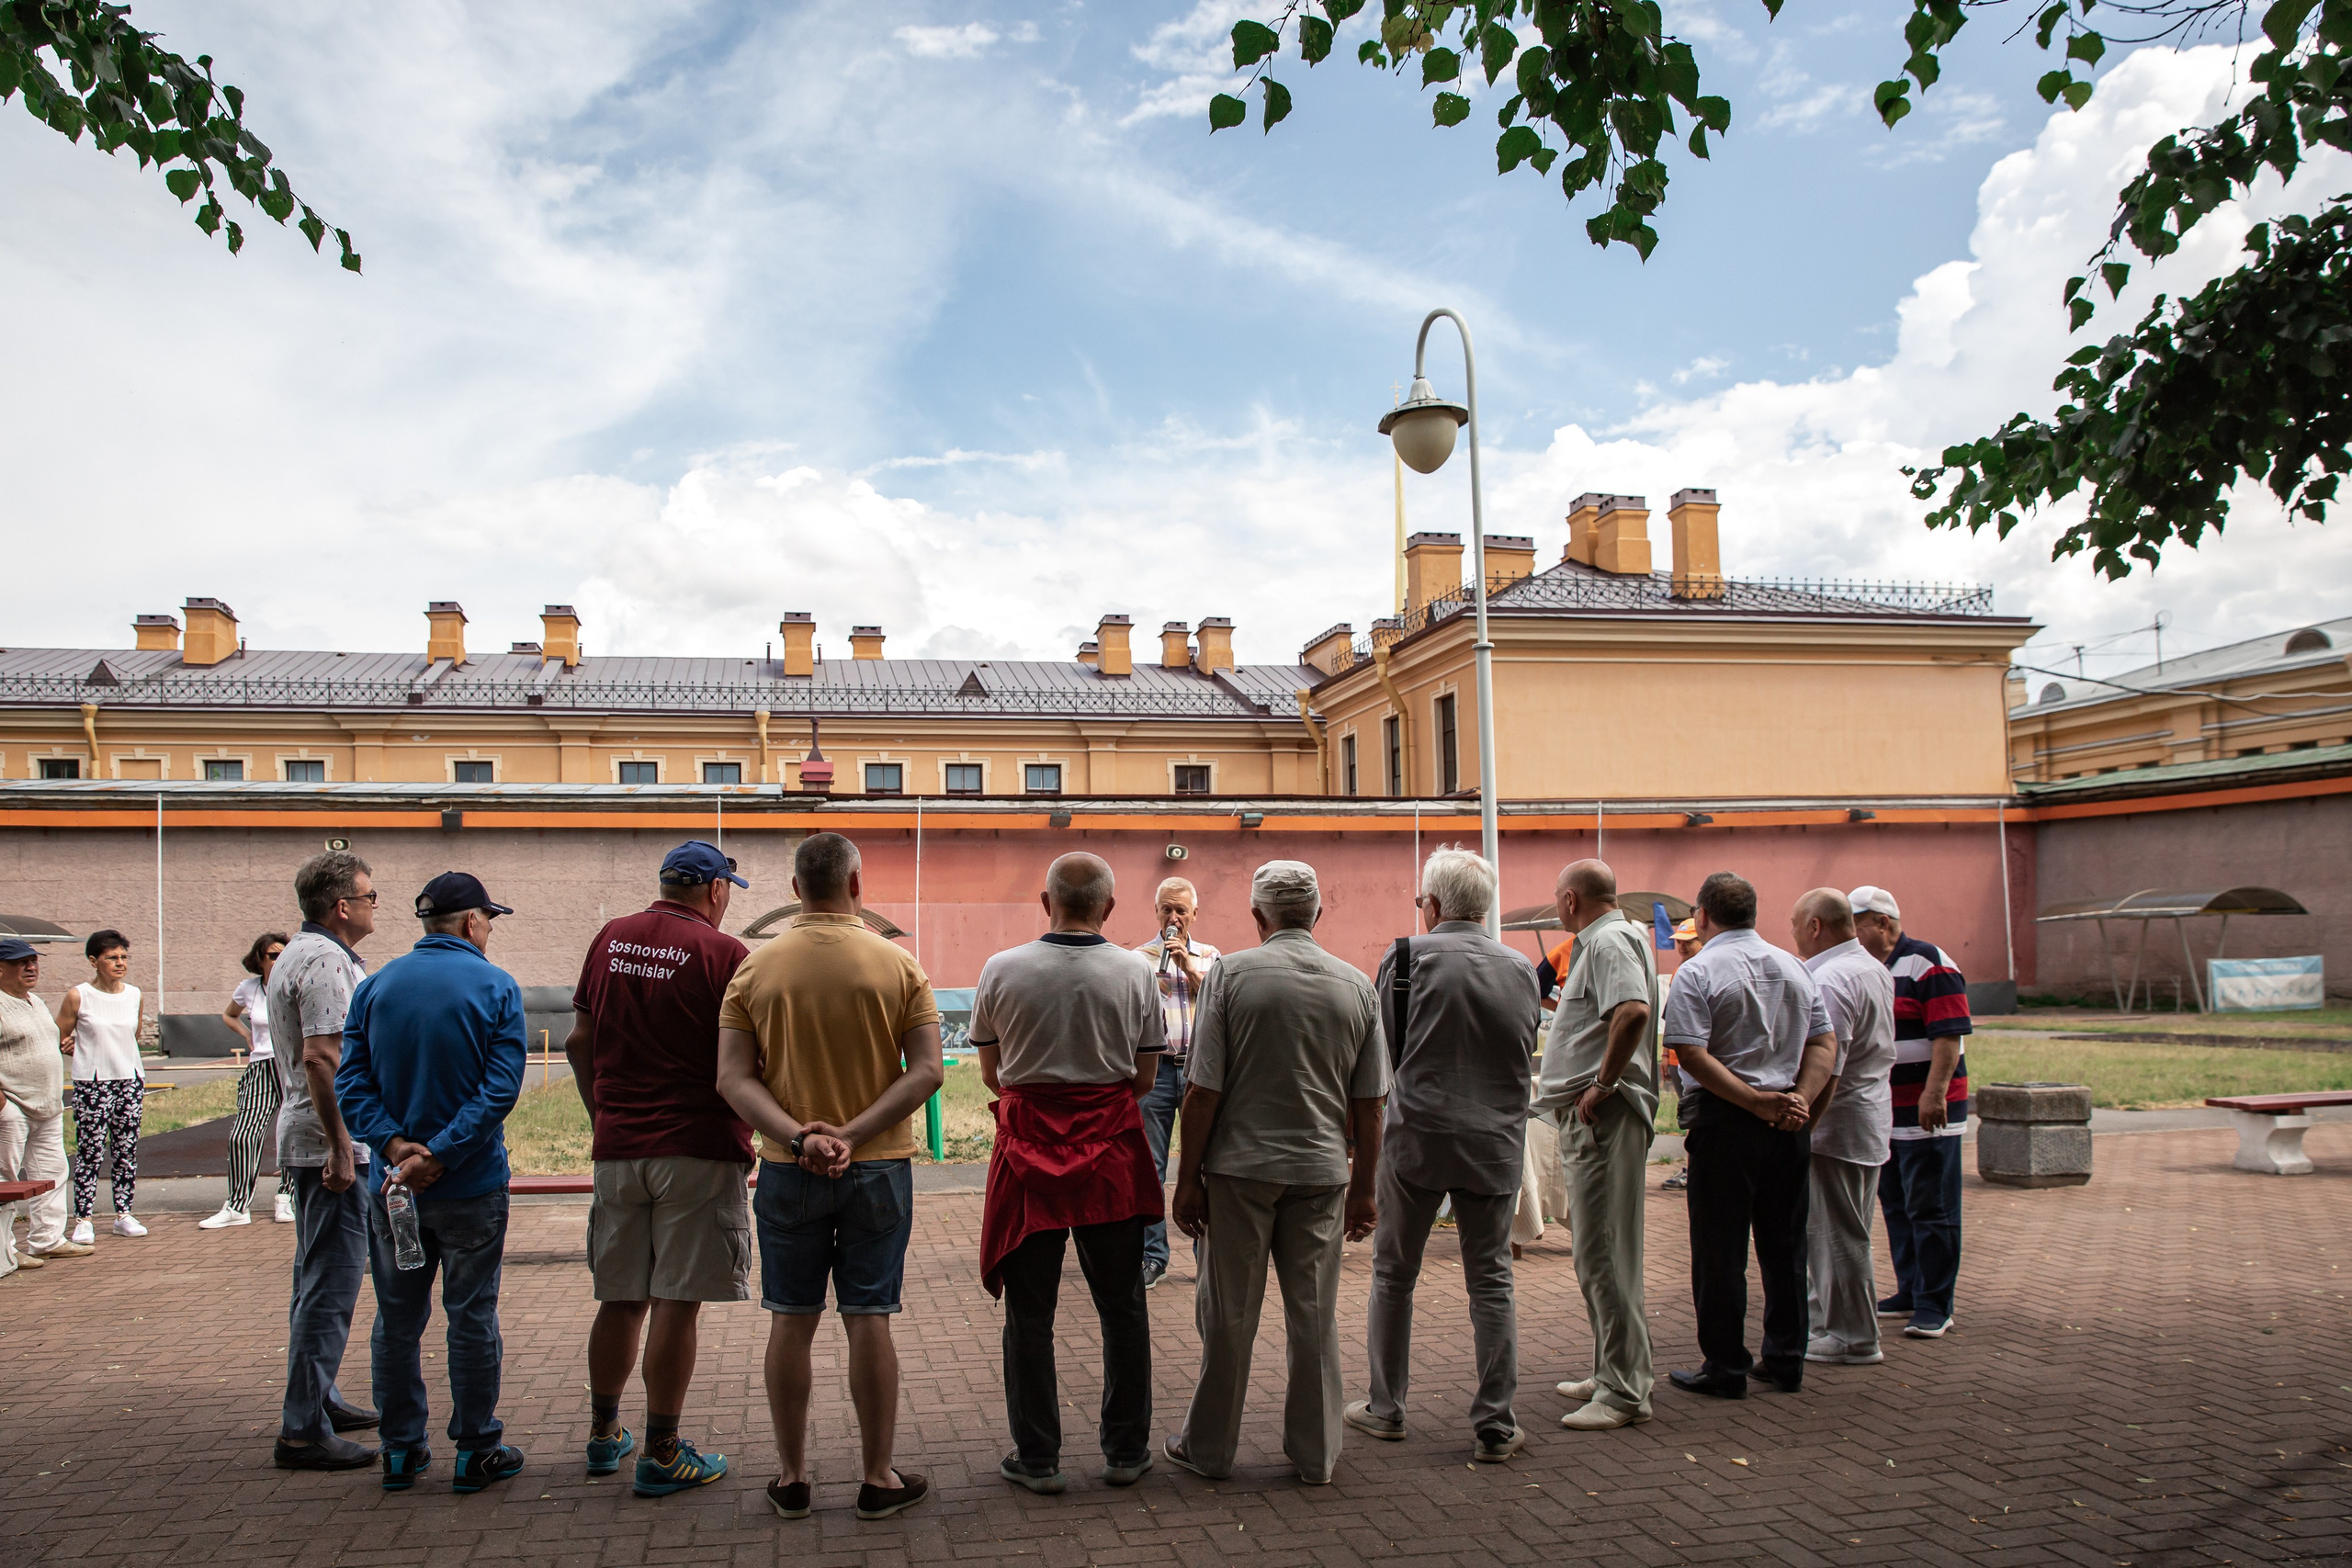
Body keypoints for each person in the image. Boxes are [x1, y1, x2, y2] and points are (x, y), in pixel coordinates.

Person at [715, 831, 943, 1523]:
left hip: (789, 1171)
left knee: (792, 1318)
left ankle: (792, 1476)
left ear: (794, 891)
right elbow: (928, 1069)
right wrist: (851, 1134)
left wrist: (799, 1135)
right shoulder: (899, 964)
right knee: (869, 1315)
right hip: (877, 1168)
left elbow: (732, 1077)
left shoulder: (755, 969)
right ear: (857, 885)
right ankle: (877, 1476)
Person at [1165, 860, 1388, 1487]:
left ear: (1258, 916)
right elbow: (1370, 1104)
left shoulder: (1232, 973)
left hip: (1239, 1170)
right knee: (1314, 1314)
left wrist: (1187, 1178)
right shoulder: (1355, 985)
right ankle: (1316, 1453)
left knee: (1229, 1314)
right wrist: (1365, 1187)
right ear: (1319, 914)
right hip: (1322, 1171)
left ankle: (1209, 1448)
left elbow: (1202, 1088)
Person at [974, 852, 1165, 1495]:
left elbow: (991, 1074)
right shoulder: (1137, 971)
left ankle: (1038, 1457)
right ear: (1108, 908)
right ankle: (1126, 1449)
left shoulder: (1001, 969)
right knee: (1122, 1304)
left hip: (1027, 1151)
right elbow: (1144, 1079)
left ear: (1044, 899)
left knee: (1030, 1314)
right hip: (1109, 1150)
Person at [566, 840, 752, 1497]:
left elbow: (578, 1040)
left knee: (621, 1295)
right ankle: (663, 1450)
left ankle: (602, 1433)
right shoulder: (726, 956)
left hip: (619, 1148)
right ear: (715, 890)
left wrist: (603, 1117)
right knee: (677, 1299)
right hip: (696, 1147)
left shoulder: (610, 937)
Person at [336, 871, 529, 1494]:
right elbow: (499, 1087)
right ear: (472, 922)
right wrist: (441, 1154)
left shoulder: (375, 986)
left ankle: (400, 1450)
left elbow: (351, 1083)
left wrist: (396, 1147)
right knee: (471, 1316)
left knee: (396, 1319)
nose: (490, 930)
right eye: (489, 920)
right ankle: (476, 1449)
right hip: (470, 1185)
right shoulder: (496, 985)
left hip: (393, 1188)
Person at [1345, 848, 1537, 1461]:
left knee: (1394, 1273)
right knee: (1491, 1279)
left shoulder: (1405, 957)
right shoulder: (1520, 967)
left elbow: (1383, 1055)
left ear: (1430, 903)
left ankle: (1387, 1406)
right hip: (1494, 1140)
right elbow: (1524, 1048)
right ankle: (1496, 1422)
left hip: (1419, 1137)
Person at [1659, 873, 1838, 1400]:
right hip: (1787, 1120)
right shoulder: (1795, 967)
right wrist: (1799, 1098)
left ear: (1705, 916)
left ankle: (1726, 1364)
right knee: (1785, 1247)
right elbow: (1824, 1044)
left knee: (1720, 1249)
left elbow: (1690, 1052)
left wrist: (1753, 1100)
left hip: (1726, 1122)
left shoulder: (1697, 971)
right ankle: (1786, 1359)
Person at [1534, 859, 1661, 1432]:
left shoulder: (1607, 942)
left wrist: (1603, 1082)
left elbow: (1631, 1012)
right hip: (1597, 1115)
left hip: (1604, 1117)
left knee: (1603, 1252)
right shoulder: (1614, 938)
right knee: (1599, 1251)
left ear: (1569, 900)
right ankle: (1611, 1369)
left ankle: (1624, 1390)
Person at [267, 849, 383, 1471]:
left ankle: (319, 1398)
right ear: (342, 906)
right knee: (331, 1286)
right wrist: (343, 1145)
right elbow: (322, 1056)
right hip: (329, 1143)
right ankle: (303, 1426)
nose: (373, 906)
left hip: (315, 1137)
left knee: (316, 1277)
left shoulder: (303, 952)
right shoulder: (327, 962)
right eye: (369, 897)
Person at [1849, 886, 1973, 1340]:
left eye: (1856, 924)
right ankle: (1910, 1288)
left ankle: (1935, 1304)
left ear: (1882, 922)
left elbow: (1949, 1036)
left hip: (1927, 1110)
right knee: (1896, 1202)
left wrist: (1933, 1093)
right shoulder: (1873, 967)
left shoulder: (1929, 963)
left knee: (1932, 1206)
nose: (1851, 933)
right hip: (1886, 1109)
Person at [1788, 889, 1895, 1367]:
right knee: (1838, 1230)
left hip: (1838, 1121)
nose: (1791, 934)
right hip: (1864, 1114)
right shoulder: (1871, 968)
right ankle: (1830, 1324)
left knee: (1838, 1234)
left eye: (1795, 924)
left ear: (1815, 926)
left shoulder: (1832, 978)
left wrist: (1805, 1120)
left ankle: (1853, 1334)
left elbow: (1829, 1062)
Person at [1132, 876, 1219, 1290]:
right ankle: (1153, 1256)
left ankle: (1207, 1254)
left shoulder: (1211, 956)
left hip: (1201, 1072)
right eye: (1166, 909)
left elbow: (1222, 1006)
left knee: (1206, 1161)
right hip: (1158, 1071)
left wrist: (1187, 967)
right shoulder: (1138, 959)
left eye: (1181, 910)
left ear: (1195, 914)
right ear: (1156, 913)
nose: (1173, 918)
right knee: (1150, 1166)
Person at [57, 930, 147, 1242]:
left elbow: (133, 1036)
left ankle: (124, 1213)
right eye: (112, 958)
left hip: (129, 1079)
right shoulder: (78, 995)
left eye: (123, 957)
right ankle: (83, 1218)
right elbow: (60, 1037)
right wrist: (66, 1045)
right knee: (91, 1151)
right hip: (92, 1081)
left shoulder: (134, 994)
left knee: (126, 1149)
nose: (120, 963)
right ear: (94, 961)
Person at [201, 932, 295, 1229]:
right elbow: (230, 1016)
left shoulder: (296, 984)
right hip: (261, 1066)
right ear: (259, 960)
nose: (279, 959)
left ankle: (286, 1197)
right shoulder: (249, 989)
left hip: (291, 1065)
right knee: (242, 1135)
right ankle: (238, 1206)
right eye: (272, 955)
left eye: (284, 954)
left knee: (293, 1132)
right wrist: (247, 1036)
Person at [0, 938, 83, 1266]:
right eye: (22, 962)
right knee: (4, 1181)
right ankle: (5, 1252)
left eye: (34, 961)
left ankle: (47, 1240)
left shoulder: (34, 1000)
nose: (31, 967)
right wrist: (3, 1106)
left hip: (47, 1104)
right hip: (13, 1105)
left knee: (52, 1172)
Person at [1658, 918, 1700, 1192]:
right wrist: (1665, 1053)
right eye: (1679, 943)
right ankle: (1691, 1166)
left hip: (1697, 1061)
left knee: (1696, 1117)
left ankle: (1693, 1168)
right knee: (1688, 1116)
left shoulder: (1701, 971)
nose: (1682, 947)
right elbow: (1671, 1018)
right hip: (1678, 1060)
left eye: (1688, 942)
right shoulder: (1678, 973)